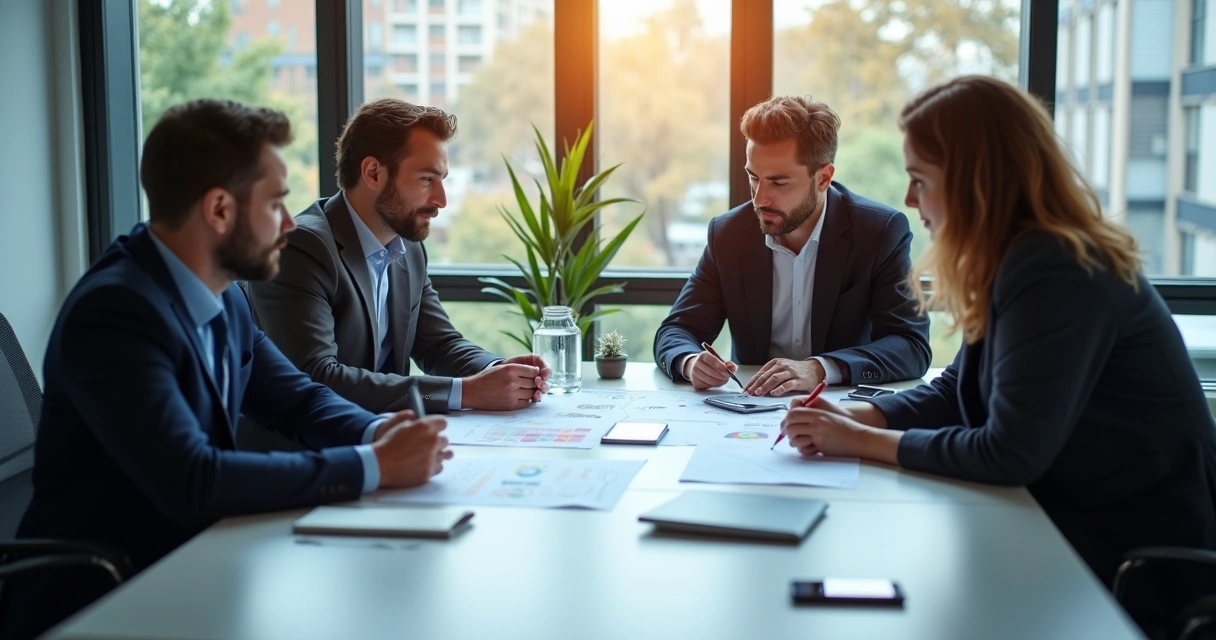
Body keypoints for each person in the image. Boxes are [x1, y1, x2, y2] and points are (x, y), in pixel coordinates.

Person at [1, 100, 452, 640]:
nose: (289, 224)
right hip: (104, 599)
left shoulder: (223, 297)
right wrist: (373, 466)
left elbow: (297, 399)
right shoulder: (117, 315)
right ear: (219, 210)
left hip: (196, 567)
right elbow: (193, 480)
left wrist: (379, 430)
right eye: (275, 205)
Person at [780, 75, 1216, 623]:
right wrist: (854, 414)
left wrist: (860, 440)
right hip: (1068, 521)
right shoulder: (1016, 258)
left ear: (973, 181)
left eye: (920, 179)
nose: (909, 199)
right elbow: (955, 390)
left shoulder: (1055, 269)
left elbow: (1008, 452)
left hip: (1130, 564)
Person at [246, 99, 550, 416]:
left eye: (442, 180)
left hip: (386, 438)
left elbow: (437, 344)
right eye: (426, 179)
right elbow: (317, 377)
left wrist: (499, 370)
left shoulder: (408, 246)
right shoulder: (301, 247)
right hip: (310, 454)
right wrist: (468, 391)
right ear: (373, 173)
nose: (441, 200)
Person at [653, 95, 931, 395]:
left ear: (823, 177)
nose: (759, 199)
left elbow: (911, 345)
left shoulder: (878, 233)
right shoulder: (728, 234)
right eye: (753, 177)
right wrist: (691, 362)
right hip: (750, 413)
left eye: (779, 182)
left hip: (841, 413)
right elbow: (677, 330)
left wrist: (819, 369)